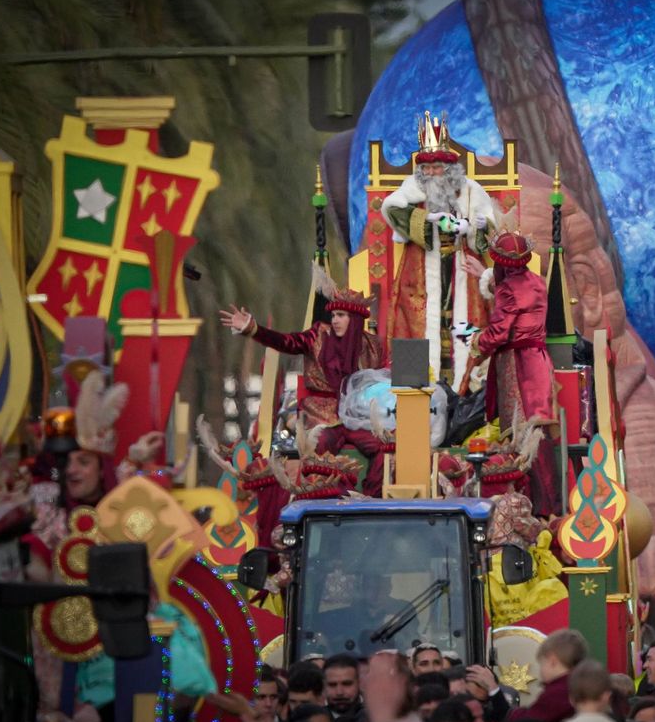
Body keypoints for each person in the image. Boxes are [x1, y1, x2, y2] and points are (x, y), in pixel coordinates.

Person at [220, 270, 388, 494]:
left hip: (358, 417)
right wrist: (253, 329)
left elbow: (382, 382)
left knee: (386, 447)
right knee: (320, 445)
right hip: (322, 416)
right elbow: (286, 342)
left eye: (341, 315)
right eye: (334, 315)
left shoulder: (373, 345)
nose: (335, 320)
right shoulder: (318, 335)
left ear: (354, 318)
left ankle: (371, 499)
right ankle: (330, 498)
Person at [378, 111, 499, 385]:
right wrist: (425, 219)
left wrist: (471, 228)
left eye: (437, 167)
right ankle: (414, 388)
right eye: (427, 168)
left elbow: (490, 229)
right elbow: (392, 209)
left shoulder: (470, 190)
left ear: (450, 168)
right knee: (414, 321)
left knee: (467, 320)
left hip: (461, 265)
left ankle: (467, 386)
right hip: (421, 266)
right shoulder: (412, 187)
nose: (432, 173)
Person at [467, 230, 558, 511]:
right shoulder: (538, 283)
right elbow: (520, 300)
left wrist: (476, 344)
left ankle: (532, 505)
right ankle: (550, 503)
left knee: (521, 435)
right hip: (540, 361)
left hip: (517, 366)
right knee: (538, 431)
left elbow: (498, 332)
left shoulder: (507, 290)